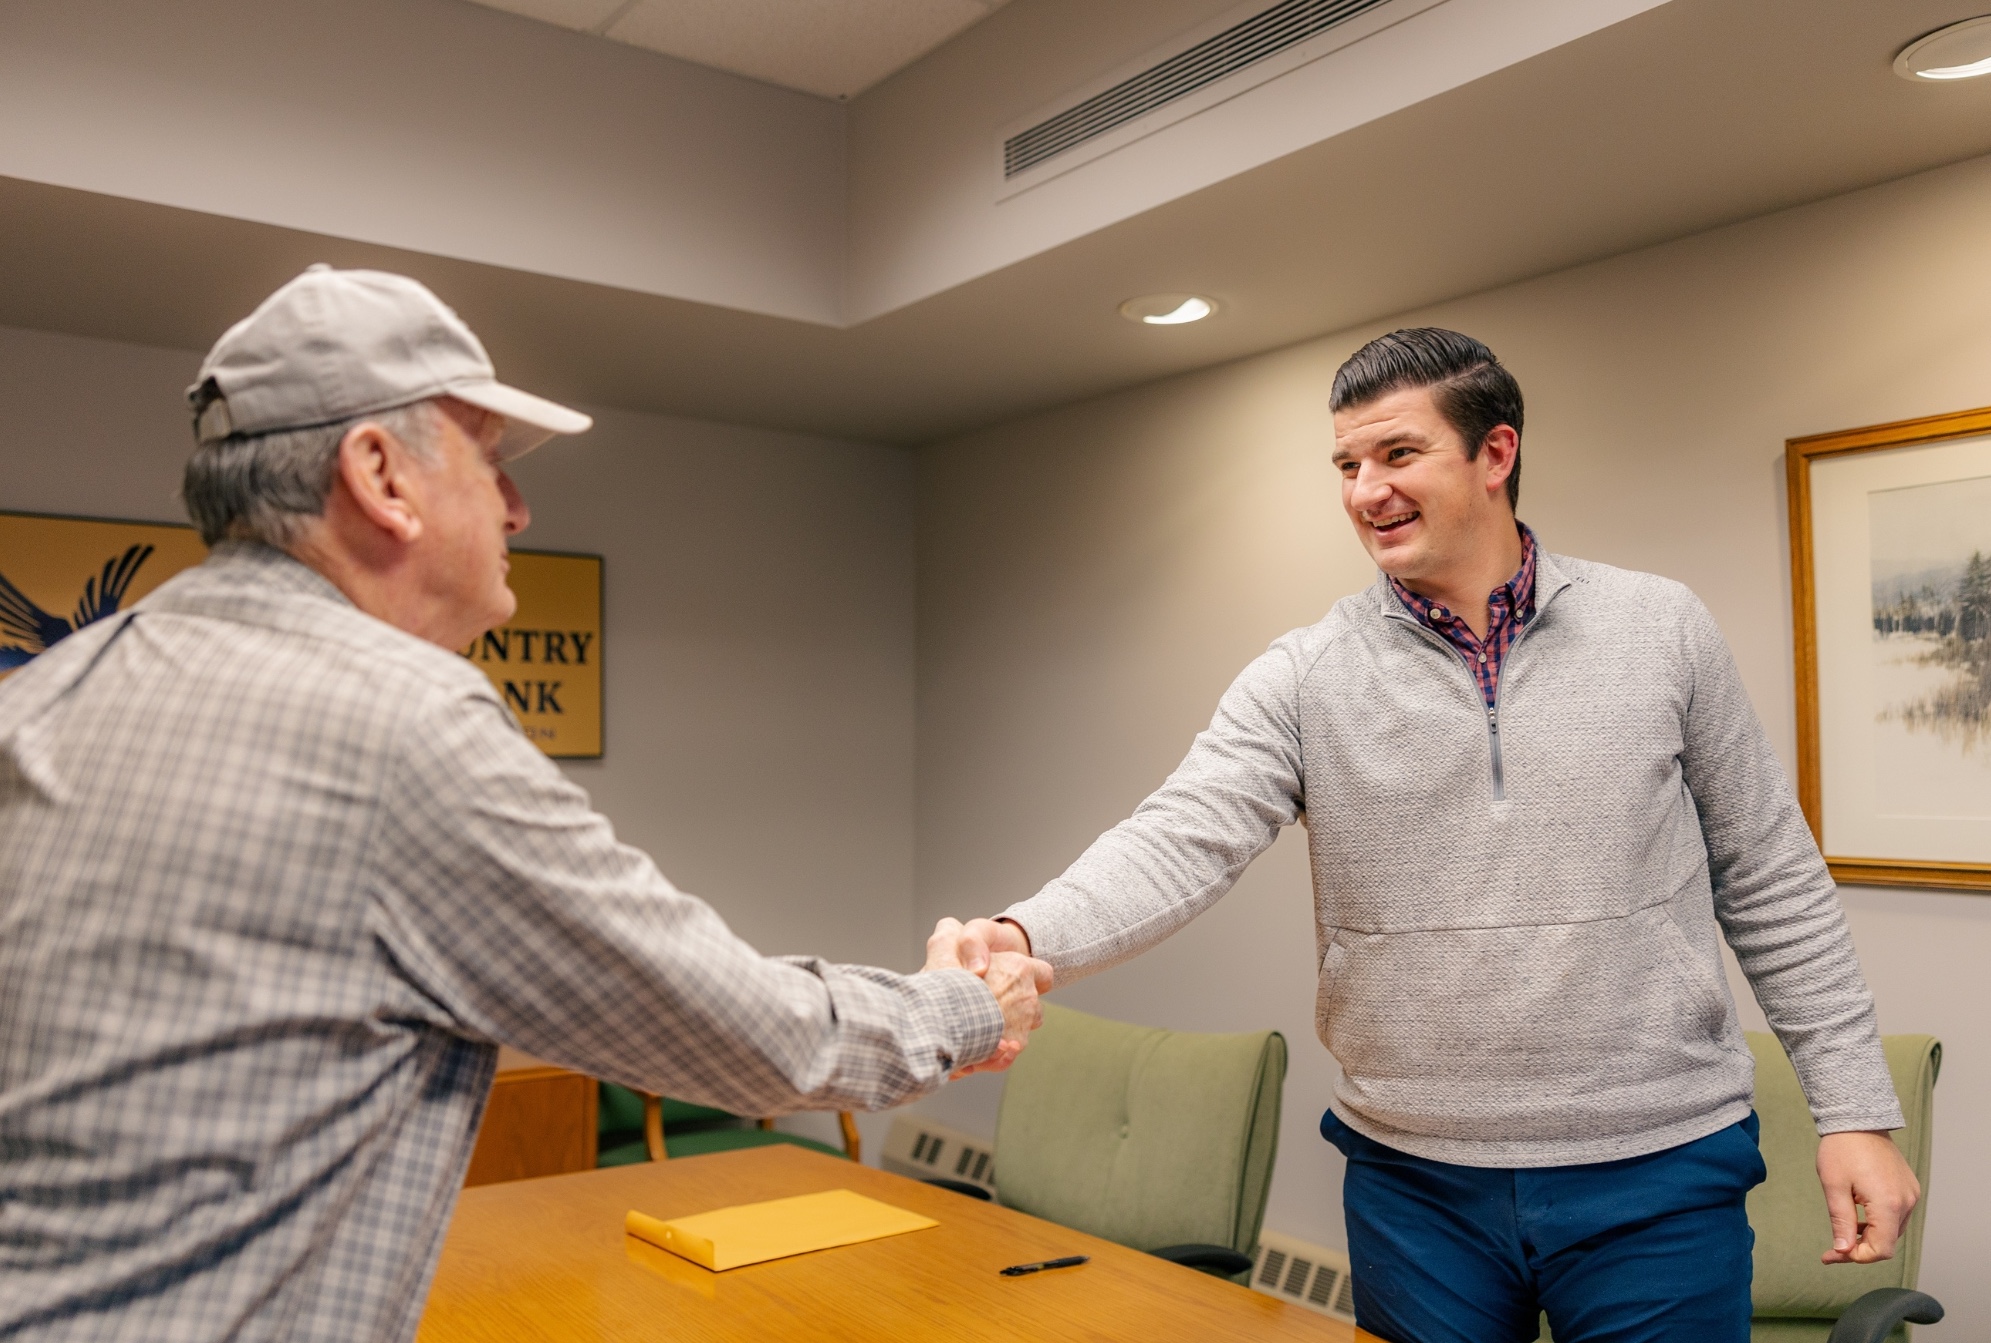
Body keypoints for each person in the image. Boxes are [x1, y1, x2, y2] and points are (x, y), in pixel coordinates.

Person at [0, 266, 1051, 1343]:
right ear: (380, 475)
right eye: (490, 461)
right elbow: (742, 1033)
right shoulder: (400, 722)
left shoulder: (40, 697)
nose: (517, 506)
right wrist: (964, 1010)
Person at [937, 328, 1919, 1343]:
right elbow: (1177, 837)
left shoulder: (1659, 629)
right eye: (1347, 465)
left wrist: (1850, 1107)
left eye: (1396, 453)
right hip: (1415, 1187)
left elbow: (1769, 874)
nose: (1365, 489)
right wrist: (1017, 936)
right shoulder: (1305, 673)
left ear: (1493, 454)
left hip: (1654, 1169)